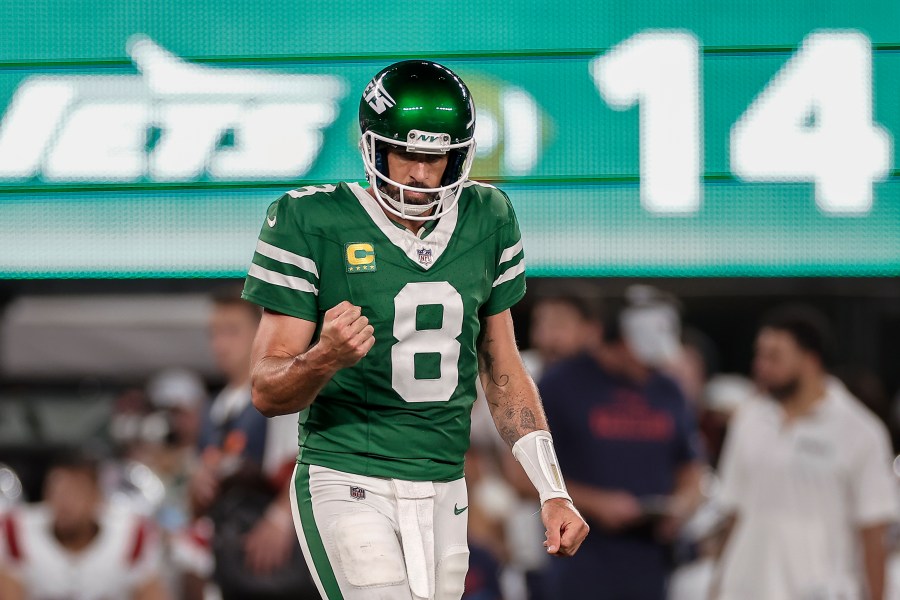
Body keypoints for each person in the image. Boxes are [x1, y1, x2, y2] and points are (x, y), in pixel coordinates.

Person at [241, 59, 589, 600]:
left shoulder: (489, 216)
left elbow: (502, 368)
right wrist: (324, 357)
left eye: (437, 157)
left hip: (445, 483)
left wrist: (552, 490)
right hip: (347, 472)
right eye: (407, 153)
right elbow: (265, 389)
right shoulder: (309, 220)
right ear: (373, 147)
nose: (422, 174)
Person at [712, 305, 900, 600]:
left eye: (773, 356)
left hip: (819, 590)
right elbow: (734, 514)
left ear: (810, 360)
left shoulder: (861, 432)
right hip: (746, 588)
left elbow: (873, 533)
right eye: (759, 355)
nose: (760, 366)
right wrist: (717, 584)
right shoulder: (748, 420)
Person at [538, 293, 705, 600]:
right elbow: (520, 474)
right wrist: (596, 503)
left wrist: (681, 507)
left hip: (651, 565)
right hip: (580, 563)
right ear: (614, 340)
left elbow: (691, 467)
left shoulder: (668, 390)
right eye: (642, 356)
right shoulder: (559, 385)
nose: (650, 369)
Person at [189, 287, 309, 599]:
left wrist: (280, 518)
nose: (220, 344)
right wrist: (198, 487)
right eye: (214, 333)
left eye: (231, 332)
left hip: (273, 551)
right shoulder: (214, 408)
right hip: (230, 546)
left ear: (260, 332)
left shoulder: (281, 397)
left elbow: (305, 462)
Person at [0, 452, 169, 600]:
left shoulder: (132, 533)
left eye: (75, 492)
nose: (64, 501)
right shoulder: (17, 530)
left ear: (96, 496)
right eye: (56, 490)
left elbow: (151, 594)